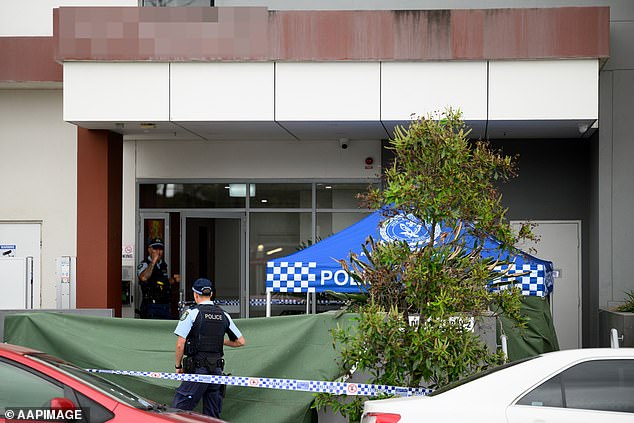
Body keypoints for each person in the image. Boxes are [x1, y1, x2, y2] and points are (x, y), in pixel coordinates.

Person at [172, 277, 246, 418]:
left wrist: (178, 366)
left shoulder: (192, 313)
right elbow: (241, 341)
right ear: (211, 294)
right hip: (216, 372)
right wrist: (220, 341)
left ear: (195, 295)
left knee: (177, 413)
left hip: (197, 370)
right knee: (212, 417)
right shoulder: (224, 315)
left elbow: (180, 344)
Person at [137, 237, 174, 319]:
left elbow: (162, 282)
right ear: (149, 249)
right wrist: (153, 261)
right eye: (155, 249)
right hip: (151, 305)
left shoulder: (163, 264)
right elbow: (143, 277)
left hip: (165, 305)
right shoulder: (145, 264)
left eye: (160, 249)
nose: (158, 252)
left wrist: (174, 280)